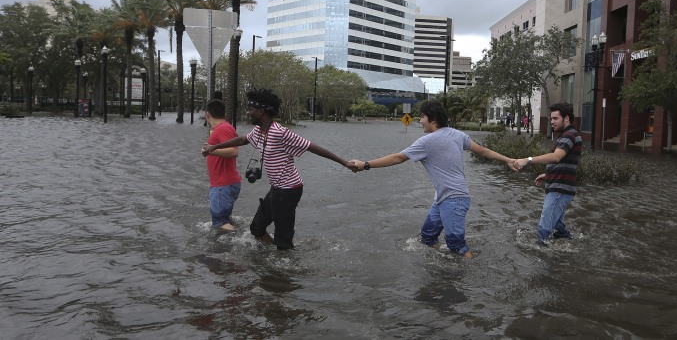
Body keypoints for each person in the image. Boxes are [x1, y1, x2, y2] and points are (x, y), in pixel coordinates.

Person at [348, 99, 521, 258]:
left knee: (457, 245)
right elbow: (483, 151)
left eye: (422, 117)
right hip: (443, 199)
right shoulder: (457, 134)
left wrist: (366, 164)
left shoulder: (427, 141)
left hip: (454, 199)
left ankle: (468, 280)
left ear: (433, 119)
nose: (420, 120)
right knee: (428, 238)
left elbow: (398, 158)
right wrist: (508, 160)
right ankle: (440, 272)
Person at [202, 89, 351, 250]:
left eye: (250, 109)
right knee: (256, 229)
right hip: (276, 189)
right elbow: (243, 139)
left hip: (289, 190)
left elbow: (312, 147)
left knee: (283, 240)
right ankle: (275, 260)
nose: (247, 112)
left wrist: (344, 162)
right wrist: (214, 147)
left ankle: (285, 261)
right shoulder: (259, 131)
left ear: (261, 111)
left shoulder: (281, 133)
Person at [512, 102, 582, 245]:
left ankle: (541, 258)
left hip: (559, 190)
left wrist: (528, 159)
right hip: (559, 186)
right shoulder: (567, 135)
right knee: (558, 228)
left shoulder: (569, 135)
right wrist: (547, 175)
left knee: (544, 229)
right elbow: (565, 161)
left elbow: (556, 157)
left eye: (555, 119)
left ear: (566, 118)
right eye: (551, 119)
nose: (552, 122)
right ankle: (575, 248)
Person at [201, 99, 242, 231]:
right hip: (222, 184)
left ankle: (247, 242)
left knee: (219, 223)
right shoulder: (219, 129)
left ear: (207, 114)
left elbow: (234, 152)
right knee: (224, 220)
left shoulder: (224, 128)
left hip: (223, 185)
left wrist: (210, 150)